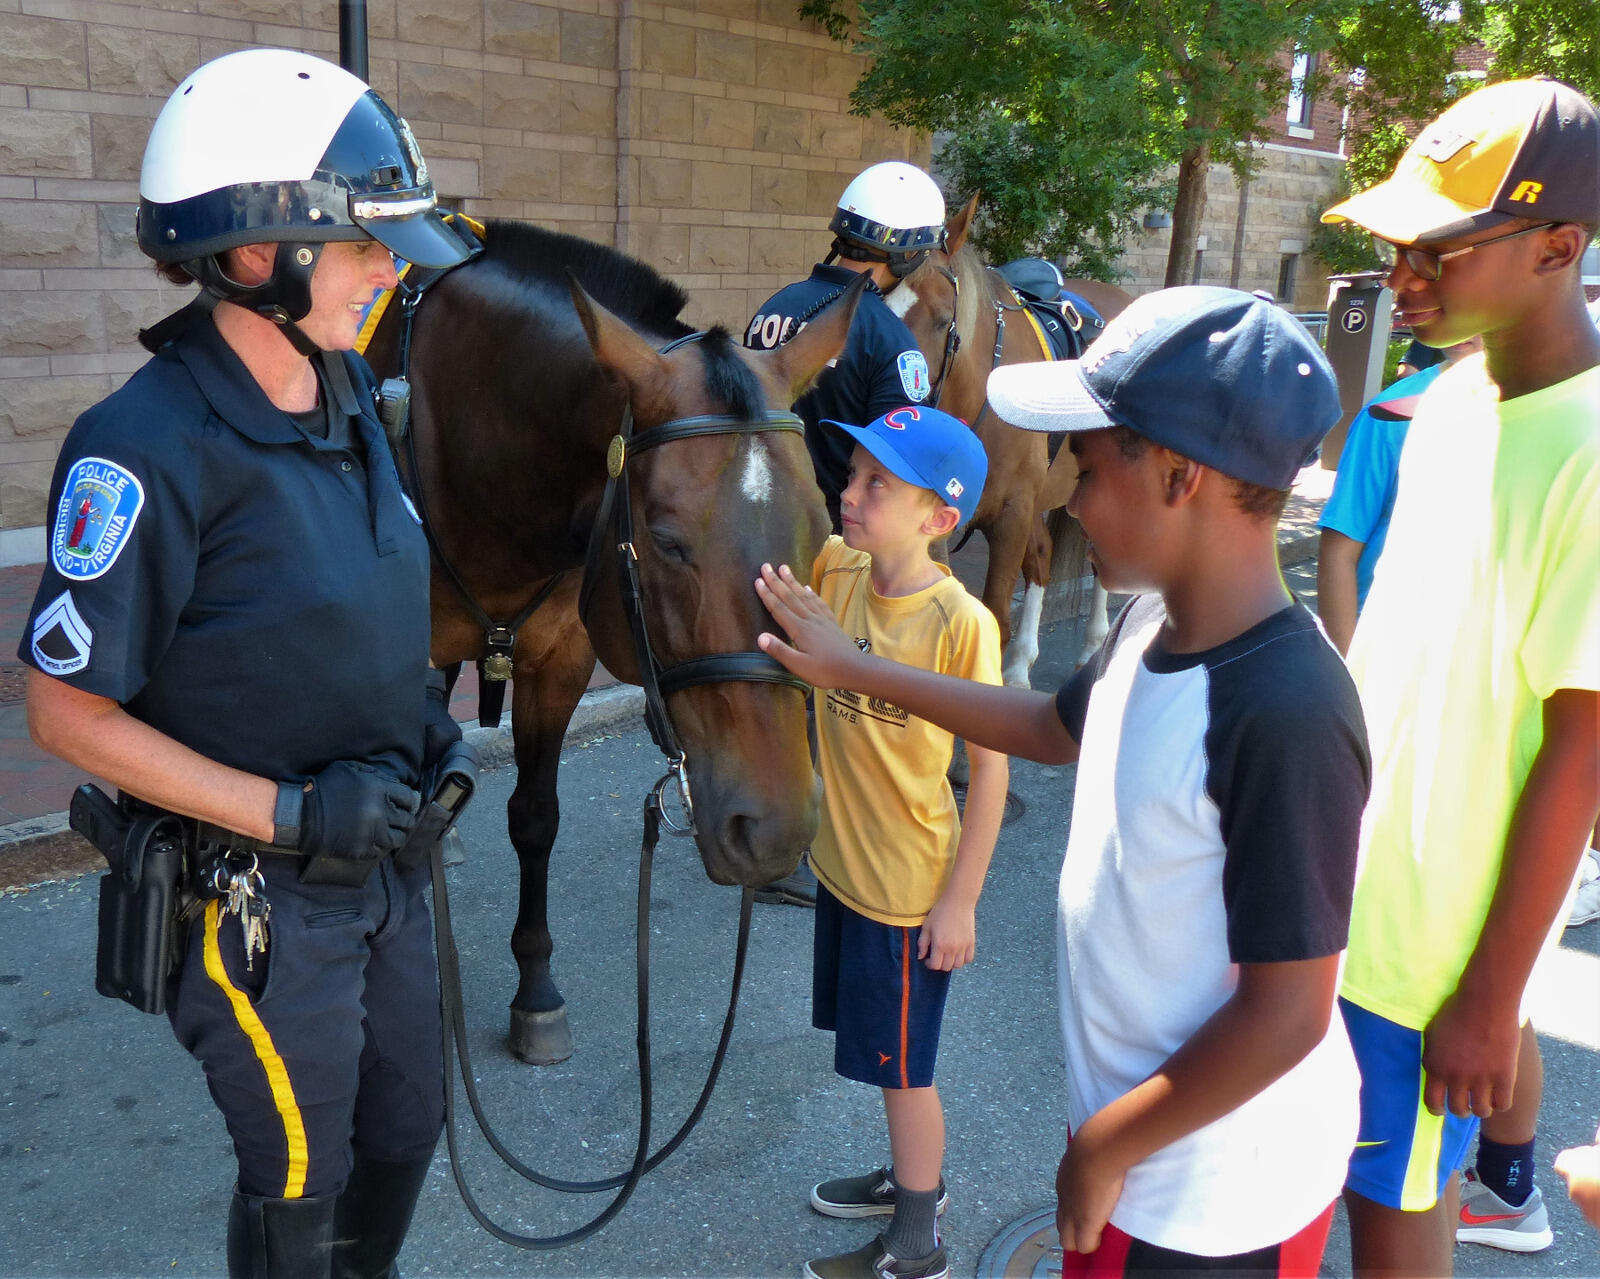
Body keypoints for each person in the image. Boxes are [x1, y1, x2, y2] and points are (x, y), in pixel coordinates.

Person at [757, 287, 1370, 1275]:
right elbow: (1048, 725)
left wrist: (1104, 1144)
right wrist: (853, 666)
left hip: (1216, 1195)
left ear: (1179, 473)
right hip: (1137, 1144)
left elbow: (1288, 1013)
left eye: (1083, 467)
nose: (1069, 500)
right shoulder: (1146, 623)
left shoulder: (1287, 707)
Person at [18, 48, 475, 1278]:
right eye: (369, 245)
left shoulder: (350, 399)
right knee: (294, 1165)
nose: (393, 269)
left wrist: (421, 715)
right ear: (256, 252)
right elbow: (62, 711)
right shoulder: (144, 443)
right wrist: (288, 807)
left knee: (409, 1120)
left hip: (384, 862)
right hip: (257, 894)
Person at [1318, 77, 1600, 1277]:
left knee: (1397, 1227)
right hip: (1341, 895)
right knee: (1314, 1191)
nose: (1403, 279)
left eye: (1437, 249)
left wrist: (1491, 996)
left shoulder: (1589, 450)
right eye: (1395, 248)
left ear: (1559, 248)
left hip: (1432, 949)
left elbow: (1579, 752)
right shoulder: (1443, 401)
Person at [791, 405, 1007, 1279]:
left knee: (908, 1068)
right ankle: (907, 1178)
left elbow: (991, 772)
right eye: (853, 472)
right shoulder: (838, 569)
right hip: (844, 871)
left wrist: (961, 901)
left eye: (880, 482)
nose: (851, 491)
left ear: (939, 517)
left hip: (909, 892)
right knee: (889, 1060)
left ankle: (917, 1238)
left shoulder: (961, 623)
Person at [743, 160, 942, 907]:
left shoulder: (774, 307)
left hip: (760, 524)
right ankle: (800, 843)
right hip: (838, 540)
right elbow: (903, 458)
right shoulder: (891, 340)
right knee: (825, 691)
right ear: (907, 256)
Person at [1316, 334, 1482, 655]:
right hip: (1384, 640)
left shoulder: (1559, 410)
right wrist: (1346, 675)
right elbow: (1339, 550)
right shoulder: (1389, 413)